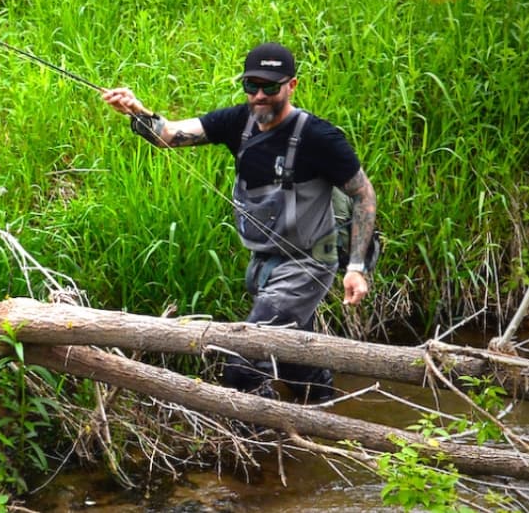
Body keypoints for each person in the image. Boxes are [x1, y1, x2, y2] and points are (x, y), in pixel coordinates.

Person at [99, 42, 377, 404]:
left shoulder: (319, 138)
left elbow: (363, 195)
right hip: (263, 265)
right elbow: (167, 136)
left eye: (270, 87)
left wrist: (356, 267)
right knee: (293, 360)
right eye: (252, 86)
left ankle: (251, 447)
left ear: (291, 86)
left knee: (243, 365)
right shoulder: (237, 122)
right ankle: (326, 411)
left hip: (307, 265)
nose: (259, 96)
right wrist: (136, 110)